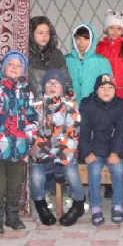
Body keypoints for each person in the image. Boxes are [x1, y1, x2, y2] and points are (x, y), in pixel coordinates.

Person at [0, 51, 38, 236]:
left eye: (18, 65)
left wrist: (29, 140)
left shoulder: (26, 91)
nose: (14, 68)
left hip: (19, 147)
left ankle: (12, 215)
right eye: (11, 64)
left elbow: (33, 117)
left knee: (15, 184)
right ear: (3, 67)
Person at [32, 69, 85, 227]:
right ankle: (41, 204)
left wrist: (61, 156)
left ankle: (78, 203)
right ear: (44, 86)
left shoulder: (70, 107)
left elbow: (73, 133)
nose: (52, 86)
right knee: (36, 175)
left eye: (57, 84)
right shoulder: (37, 106)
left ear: (63, 88)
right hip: (42, 151)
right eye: (49, 83)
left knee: (71, 173)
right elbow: (33, 131)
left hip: (65, 152)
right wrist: (42, 154)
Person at [79, 73, 123, 226]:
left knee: (118, 170)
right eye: (102, 88)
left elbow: (121, 131)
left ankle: (118, 204)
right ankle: (95, 206)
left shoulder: (120, 105)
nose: (106, 91)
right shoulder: (87, 105)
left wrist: (116, 152)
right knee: (94, 171)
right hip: (94, 149)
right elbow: (83, 131)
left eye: (110, 88)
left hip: (112, 148)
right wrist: (87, 153)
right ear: (96, 90)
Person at [96, 9, 123, 100]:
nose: (115, 32)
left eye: (119, 29)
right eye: (111, 28)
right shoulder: (99, 47)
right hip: (104, 93)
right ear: (106, 29)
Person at [65, 22, 113, 99]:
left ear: (91, 40)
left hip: (94, 103)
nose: (81, 42)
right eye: (78, 38)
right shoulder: (66, 60)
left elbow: (107, 86)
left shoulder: (102, 61)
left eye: (86, 39)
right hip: (71, 103)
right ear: (73, 39)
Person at [27, 16, 70, 97]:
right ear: (32, 34)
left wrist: (66, 99)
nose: (45, 36)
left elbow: (66, 82)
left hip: (56, 101)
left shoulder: (56, 54)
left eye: (47, 33)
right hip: (32, 102)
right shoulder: (25, 56)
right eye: (40, 33)